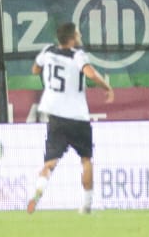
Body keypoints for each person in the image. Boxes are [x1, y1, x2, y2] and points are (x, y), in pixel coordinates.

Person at [26, 21, 113, 214]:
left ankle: (38, 192)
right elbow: (90, 73)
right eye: (78, 34)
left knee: (50, 162)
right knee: (86, 159)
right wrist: (106, 87)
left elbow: (35, 70)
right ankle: (87, 205)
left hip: (55, 116)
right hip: (77, 116)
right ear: (73, 38)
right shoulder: (78, 55)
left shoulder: (47, 51)